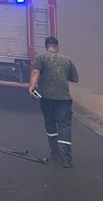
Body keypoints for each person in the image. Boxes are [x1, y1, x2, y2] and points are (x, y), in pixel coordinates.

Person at [28, 36, 79, 168]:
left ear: (46, 46)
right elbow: (75, 78)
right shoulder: (67, 60)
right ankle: (66, 159)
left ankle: (54, 153)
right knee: (64, 125)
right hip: (64, 99)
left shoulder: (41, 58)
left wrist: (31, 87)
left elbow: (35, 72)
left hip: (47, 98)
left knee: (50, 124)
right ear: (57, 46)